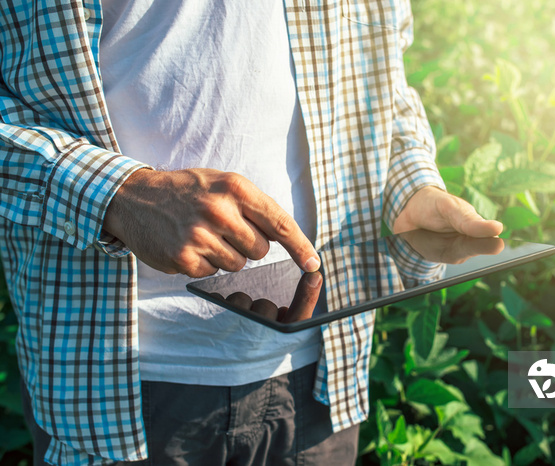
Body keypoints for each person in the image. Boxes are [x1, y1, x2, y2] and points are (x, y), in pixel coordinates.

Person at [0, 1, 503, 464]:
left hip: (323, 374)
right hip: (118, 388)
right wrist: (117, 195)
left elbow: (380, 80)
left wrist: (410, 186)